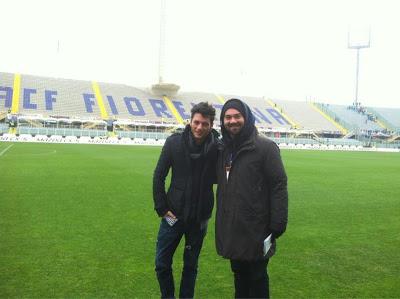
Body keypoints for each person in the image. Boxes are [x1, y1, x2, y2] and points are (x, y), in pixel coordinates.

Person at [215, 98, 288, 299]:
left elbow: (278, 185)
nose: (232, 121)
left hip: (257, 228)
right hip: (233, 227)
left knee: (257, 278)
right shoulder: (224, 149)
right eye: (227, 117)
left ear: (246, 118)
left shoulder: (265, 147)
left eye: (237, 116)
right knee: (239, 276)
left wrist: (277, 224)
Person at [153, 102, 219, 299]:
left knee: (190, 266)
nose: (199, 127)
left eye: (204, 124)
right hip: (173, 215)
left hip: (199, 219)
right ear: (190, 122)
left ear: (211, 125)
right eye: (196, 122)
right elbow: (159, 176)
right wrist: (162, 208)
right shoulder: (174, 143)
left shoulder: (218, 147)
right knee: (161, 263)